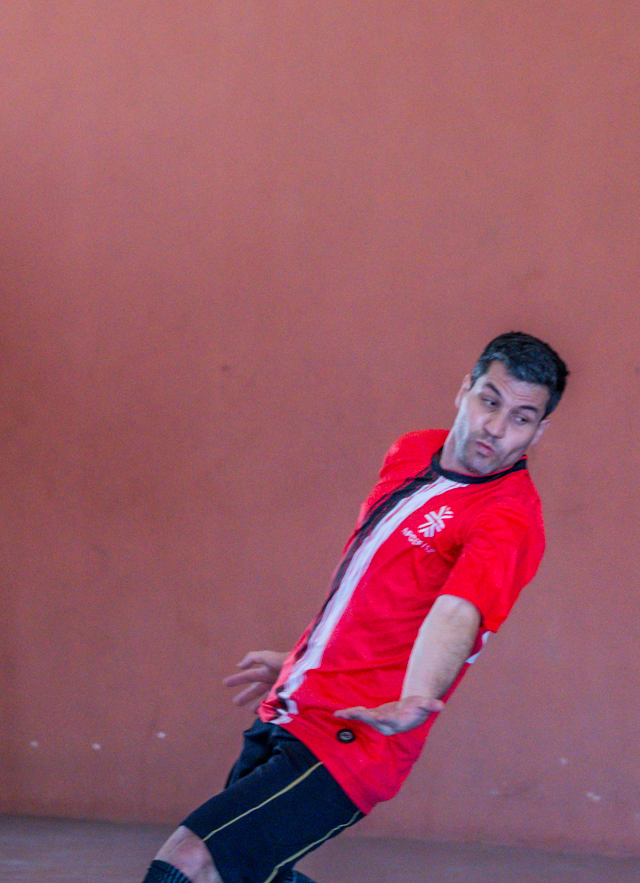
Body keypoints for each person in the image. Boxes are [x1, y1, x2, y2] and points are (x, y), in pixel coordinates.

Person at [143, 332, 566, 883]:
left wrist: (417, 695)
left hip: (353, 738)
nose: (496, 427)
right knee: (238, 875)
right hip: (295, 703)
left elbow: (456, 613)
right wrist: (306, 659)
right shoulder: (412, 452)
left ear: (539, 430)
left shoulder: (507, 518)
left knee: (188, 862)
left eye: (521, 418)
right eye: (490, 401)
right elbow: (374, 586)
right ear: (464, 389)